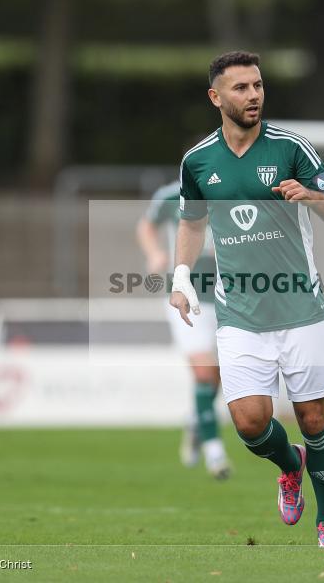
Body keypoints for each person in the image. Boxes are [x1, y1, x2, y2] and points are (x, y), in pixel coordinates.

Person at [169, 51, 324, 548]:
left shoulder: (292, 148)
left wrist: (311, 197)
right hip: (240, 315)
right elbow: (191, 220)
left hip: (300, 309)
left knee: (316, 417)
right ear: (216, 97)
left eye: (258, 86)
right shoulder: (198, 160)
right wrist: (182, 274)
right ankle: (290, 466)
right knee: (250, 423)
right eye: (241, 88)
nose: (253, 95)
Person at [136, 183, 232, 479]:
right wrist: (154, 254)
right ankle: (215, 452)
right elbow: (146, 226)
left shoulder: (233, 190)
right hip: (184, 298)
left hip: (228, 298)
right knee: (204, 372)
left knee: (217, 377)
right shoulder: (169, 196)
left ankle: (195, 420)